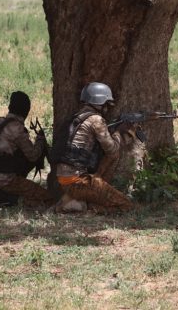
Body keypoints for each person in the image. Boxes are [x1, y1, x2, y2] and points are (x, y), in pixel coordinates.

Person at [51, 82, 134, 213]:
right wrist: (120, 133)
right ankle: (82, 207)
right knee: (126, 205)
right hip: (78, 181)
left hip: (65, 179)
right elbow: (112, 150)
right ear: (101, 102)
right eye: (107, 104)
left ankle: (74, 202)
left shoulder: (78, 117)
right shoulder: (96, 120)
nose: (107, 108)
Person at [0, 91, 53, 208]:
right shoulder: (17, 128)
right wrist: (40, 140)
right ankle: (12, 199)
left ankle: (4, 195)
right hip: (6, 180)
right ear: (26, 111)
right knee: (47, 198)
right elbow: (33, 156)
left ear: (10, 107)